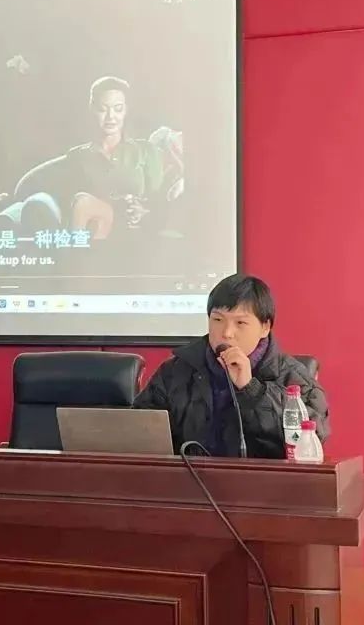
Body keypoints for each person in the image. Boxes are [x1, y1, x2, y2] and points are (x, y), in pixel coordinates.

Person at [133, 274, 330, 458]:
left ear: (265, 327)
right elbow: (139, 430)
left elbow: (313, 439)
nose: (226, 333)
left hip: (261, 482)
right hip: (186, 480)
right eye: (218, 320)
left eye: (240, 323)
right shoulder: (176, 371)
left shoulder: (292, 377)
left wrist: (252, 389)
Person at [65, 76, 177, 239]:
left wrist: (143, 211)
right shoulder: (78, 156)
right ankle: (78, 253)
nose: (110, 116)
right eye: (103, 109)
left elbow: (159, 200)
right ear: (92, 109)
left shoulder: (145, 151)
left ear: (126, 110)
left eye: (118, 109)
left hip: (135, 229)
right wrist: (115, 202)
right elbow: (71, 201)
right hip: (96, 225)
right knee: (83, 204)